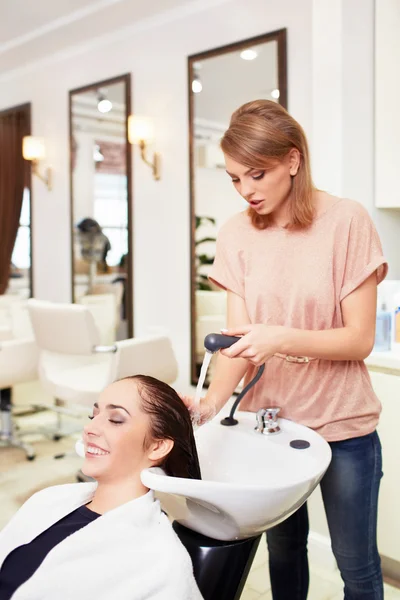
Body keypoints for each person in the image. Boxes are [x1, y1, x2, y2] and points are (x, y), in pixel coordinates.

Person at [183, 99, 387, 600]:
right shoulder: (235, 233)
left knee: (356, 566)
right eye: (235, 179)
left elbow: (359, 339)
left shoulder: (346, 221)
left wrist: (280, 337)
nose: (246, 190)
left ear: (293, 161)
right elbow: (237, 344)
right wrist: (208, 404)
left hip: (342, 426)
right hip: (269, 425)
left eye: (257, 174)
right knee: (284, 553)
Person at [0, 375, 203, 600]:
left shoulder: (159, 559)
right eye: (93, 415)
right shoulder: (48, 499)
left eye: (115, 419)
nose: (89, 428)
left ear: (157, 446)